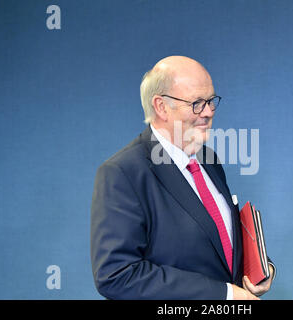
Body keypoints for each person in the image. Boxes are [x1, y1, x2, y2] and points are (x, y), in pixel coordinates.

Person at [90, 56, 275, 299]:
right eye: (197, 103)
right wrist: (223, 295)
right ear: (161, 106)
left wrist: (261, 267)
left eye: (211, 101)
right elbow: (117, 274)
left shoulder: (209, 160)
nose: (208, 112)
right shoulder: (122, 173)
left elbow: (217, 243)